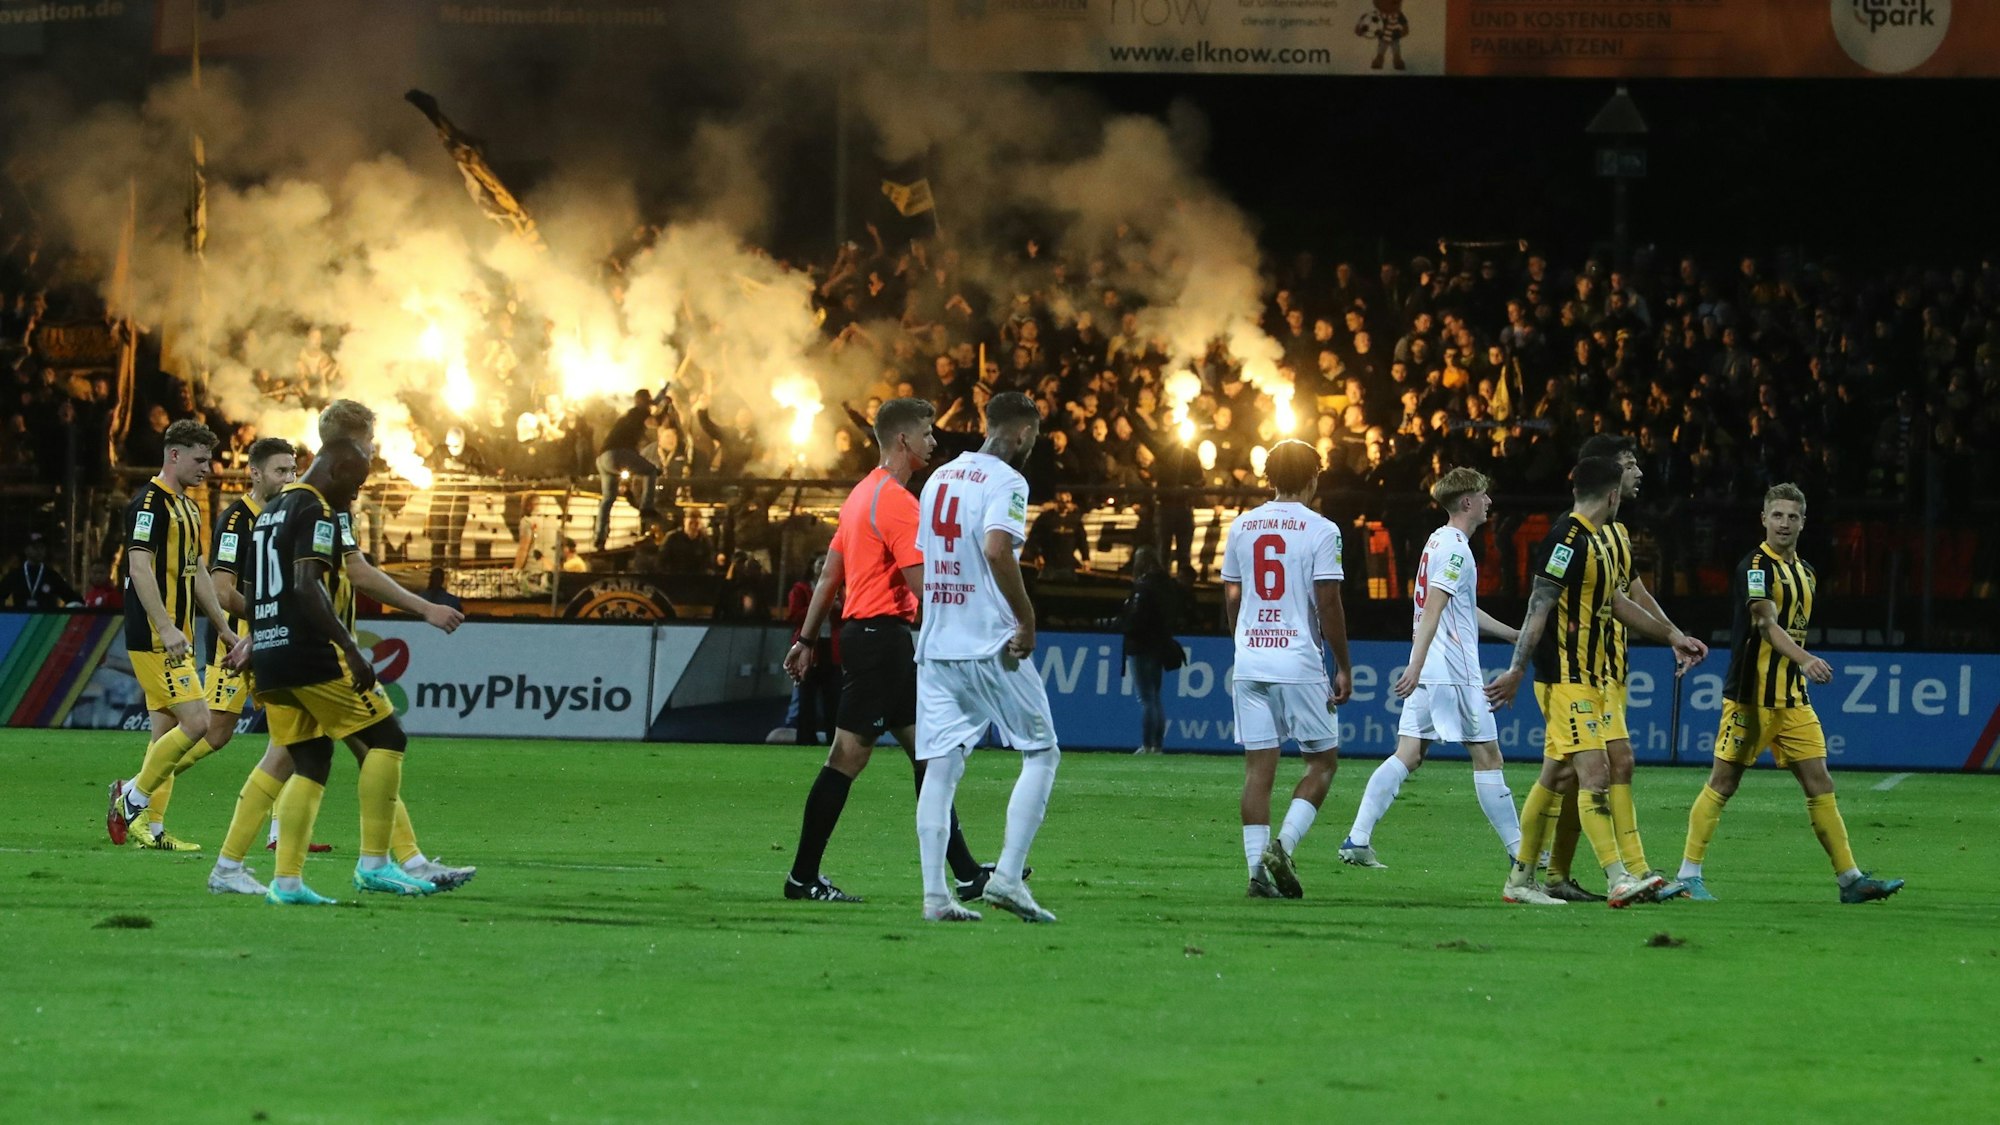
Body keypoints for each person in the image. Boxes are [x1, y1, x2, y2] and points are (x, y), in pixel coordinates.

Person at [209, 402, 473, 897]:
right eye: (368, 447)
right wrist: (353, 646)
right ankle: (381, 864)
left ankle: (276, 877)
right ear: (347, 449)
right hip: (315, 652)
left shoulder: (273, 510)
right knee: (385, 741)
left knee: (305, 758)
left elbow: (271, 585)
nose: (368, 462)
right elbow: (312, 584)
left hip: (273, 652)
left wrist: (259, 635)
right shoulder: (319, 508)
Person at [779, 397, 989, 903]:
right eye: (927, 433)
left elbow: (832, 574)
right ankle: (801, 879)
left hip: (870, 638)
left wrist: (807, 639)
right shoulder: (898, 502)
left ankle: (966, 874)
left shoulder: (859, 496)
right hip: (880, 640)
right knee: (847, 757)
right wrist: (970, 629)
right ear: (903, 441)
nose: (934, 442)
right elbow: (923, 584)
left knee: (928, 754)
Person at [1658, 484, 1903, 904]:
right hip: (1751, 698)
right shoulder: (1755, 567)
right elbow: (1765, 623)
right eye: (1777, 515)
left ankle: (1850, 879)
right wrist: (1805, 659)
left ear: (1803, 522)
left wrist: (1799, 669)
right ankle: (1687, 875)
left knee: (1819, 782)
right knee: (1724, 782)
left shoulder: (1806, 571)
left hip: (1792, 699)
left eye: (1792, 516)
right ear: (1764, 519)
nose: (1784, 523)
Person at [1485, 457, 1706, 907]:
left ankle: (1521, 880)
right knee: (1595, 773)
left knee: (1558, 774)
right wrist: (1517, 669)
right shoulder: (1565, 541)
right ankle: (1618, 877)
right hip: (1566, 678)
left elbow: (1617, 603)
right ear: (1612, 495)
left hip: (1592, 677)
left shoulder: (1598, 541)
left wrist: (1671, 635)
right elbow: (1537, 607)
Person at [911, 391, 1061, 923]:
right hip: (989, 641)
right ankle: (1007, 880)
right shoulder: (1008, 482)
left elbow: (927, 562)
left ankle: (934, 897)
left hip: (938, 643)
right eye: (1035, 437)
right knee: (1041, 752)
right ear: (1021, 433)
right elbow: (998, 549)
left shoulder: (940, 478)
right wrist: (1026, 619)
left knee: (942, 768)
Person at [1338, 468, 1525, 878]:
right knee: (1489, 758)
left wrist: (1511, 633)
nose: (1490, 502)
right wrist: (1417, 664)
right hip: (1451, 670)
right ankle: (1522, 857)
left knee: (1410, 754)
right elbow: (1436, 606)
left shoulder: (1438, 541)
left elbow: (1458, 606)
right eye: (1484, 495)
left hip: (1434, 669)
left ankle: (1358, 838)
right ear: (1467, 503)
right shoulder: (1457, 549)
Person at [1219, 441, 1352, 899]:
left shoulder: (1241, 525)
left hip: (1251, 661)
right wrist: (1343, 664)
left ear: (1269, 477)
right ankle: (1284, 846)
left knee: (1258, 772)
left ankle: (1256, 875)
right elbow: (1328, 601)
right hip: (1297, 661)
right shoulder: (1322, 529)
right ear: (1314, 478)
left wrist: (1243, 643)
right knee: (1322, 763)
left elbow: (1233, 597)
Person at [104, 420, 244, 852]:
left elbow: (197, 571)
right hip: (154, 636)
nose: (208, 469)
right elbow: (139, 568)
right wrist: (165, 627)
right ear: (175, 455)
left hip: (178, 635)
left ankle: (153, 830)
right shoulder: (148, 504)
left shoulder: (188, 506)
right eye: (201, 460)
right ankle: (131, 799)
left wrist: (222, 628)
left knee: (163, 738)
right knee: (199, 722)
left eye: (210, 460)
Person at [1120, 546, 1180, 755]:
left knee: (1146, 698)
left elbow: (1136, 619)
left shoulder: (1143, 587)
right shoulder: (1167, 585)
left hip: (1141, 646)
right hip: (1159, 645)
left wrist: (1123, 623)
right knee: (1155, 696)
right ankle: (1157, 745)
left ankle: (1147, 745)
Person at [594, 388, 667, 551]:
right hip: (619, 454)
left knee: (608, 499)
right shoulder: (639, 412)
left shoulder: (628, 415)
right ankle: (646, 507)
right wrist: (665, 403)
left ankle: (599, 538)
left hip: (602, 458)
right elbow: (657, 421)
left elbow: (653, 407)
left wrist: (660, 399)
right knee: (651, 471)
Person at [1, 531, 80, 607]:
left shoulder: (51, 576)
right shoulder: (16, 575)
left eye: (42, 547)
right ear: (26, 549)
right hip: (21, 619)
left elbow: (72, 599)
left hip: (47, 619)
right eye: (35, 547)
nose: (39, 551)